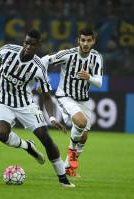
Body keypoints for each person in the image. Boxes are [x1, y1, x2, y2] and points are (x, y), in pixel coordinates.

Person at [0, 29, 75, 188]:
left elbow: (46, 96)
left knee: (46, 138)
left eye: (33, 44)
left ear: (39, 46)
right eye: (26, 43)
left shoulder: (38, 67)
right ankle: (27, 146)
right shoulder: (8, 50)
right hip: (2, 102)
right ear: (24, 42)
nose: (28, 47)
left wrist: (51, 118)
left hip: (25, 104)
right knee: (1, 134)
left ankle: (63, 179)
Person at [41, 27, 103, 177]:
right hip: (65, 95)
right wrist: (42, 80)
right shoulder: (68, 55)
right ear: (78, 40)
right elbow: (44, 60)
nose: (86, 43)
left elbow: (99, 83)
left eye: (89, 40)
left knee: (84, 135)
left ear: (93, 41)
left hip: (83, 99)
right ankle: (72, 150)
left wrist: (89, 77)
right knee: (81, 123)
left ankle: (68, 167)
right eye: (83, 40)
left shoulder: (97, 57)